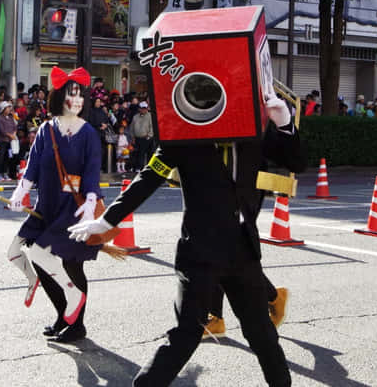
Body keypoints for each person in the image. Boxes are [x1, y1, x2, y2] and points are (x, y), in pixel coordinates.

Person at [69, 94, 304, 386]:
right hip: (199, 252)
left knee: (262, 334)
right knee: (185, 335)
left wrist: (284, 123)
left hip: (242, 249)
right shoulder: (184, 132)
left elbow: (295, 161)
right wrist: (106, 221)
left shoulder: (252, 128)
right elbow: (149, 177)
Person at [7, 66, 102, 343]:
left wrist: (91, 202)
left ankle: (77, 324)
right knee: (37, 259)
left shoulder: (88, 133)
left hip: (75, 208)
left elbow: (92, 171)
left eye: (81, 95)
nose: (78, 100)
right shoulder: (46, 130)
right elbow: (33, 167)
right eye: (72, 94)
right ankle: (63, 314)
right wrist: (19, 193)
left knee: (72, 265)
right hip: (47, 206)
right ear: (59, 97)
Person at [0, 101, 18, 181]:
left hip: (10, 141)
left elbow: (15, 126)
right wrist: (9, 135)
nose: (9, 109)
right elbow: (1, 129)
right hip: (2, 141)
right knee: (0, 158)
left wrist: (14, 134)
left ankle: (5, 173)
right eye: (7, 107)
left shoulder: (11, 117)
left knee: (7, 157)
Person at [129, 101, 153, 172]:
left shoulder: (150, 116)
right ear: (139, 108)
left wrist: (149, 135)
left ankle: (145, 168)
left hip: (146, 138)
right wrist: (132, 137)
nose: (143, 109)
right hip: (137, 138)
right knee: (137, 153)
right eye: (142, 108)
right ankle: (137, 167)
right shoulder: (135, 117)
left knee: (145, 153)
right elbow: (131, 128)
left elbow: (152, 127)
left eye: (145, 108)